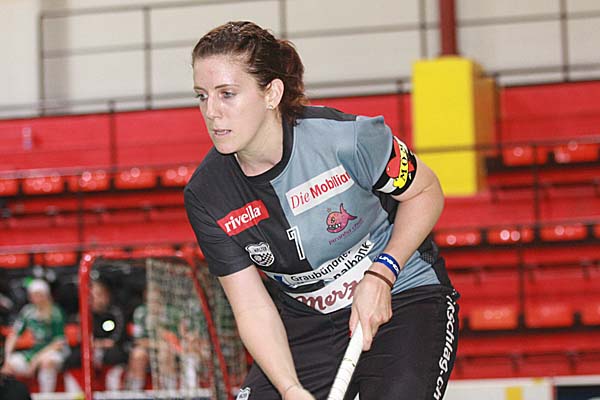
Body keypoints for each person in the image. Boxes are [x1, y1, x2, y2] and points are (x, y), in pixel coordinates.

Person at [184, 21, 460, 400]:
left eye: (227, 94)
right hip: (307, 323)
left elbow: (426, 192)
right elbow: (250, 305)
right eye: (202, 96)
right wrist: (289, 387)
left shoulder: (347, 139)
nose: (212, 112)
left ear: (271, 93)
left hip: (403, 295)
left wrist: (382, 274)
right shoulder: (207, 194)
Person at [0, 279, 67, 393]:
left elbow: (59, 343)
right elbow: (14, 335)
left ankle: (46, 396)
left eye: (39, 295)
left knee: (47, 362)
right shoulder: (28, 311)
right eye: (34, 295)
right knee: (9, 365)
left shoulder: (55, 312)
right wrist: (7, 358)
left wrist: (36, 360)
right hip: (33, 351)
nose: (37, 299)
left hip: (52, 351)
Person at [64, 278, 128, 392]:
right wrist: (95, 343)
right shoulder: (81, 315)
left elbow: (115, 340)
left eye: (98, 295)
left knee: (115, 355)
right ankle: (76, 394)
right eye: (91, 296)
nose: (94, 299)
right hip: (91, 348)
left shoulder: (116, 313)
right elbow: (78, 339)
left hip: (110, 352)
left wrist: (97, 344)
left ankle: (115, 392)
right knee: (73, 358)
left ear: (107, 296)